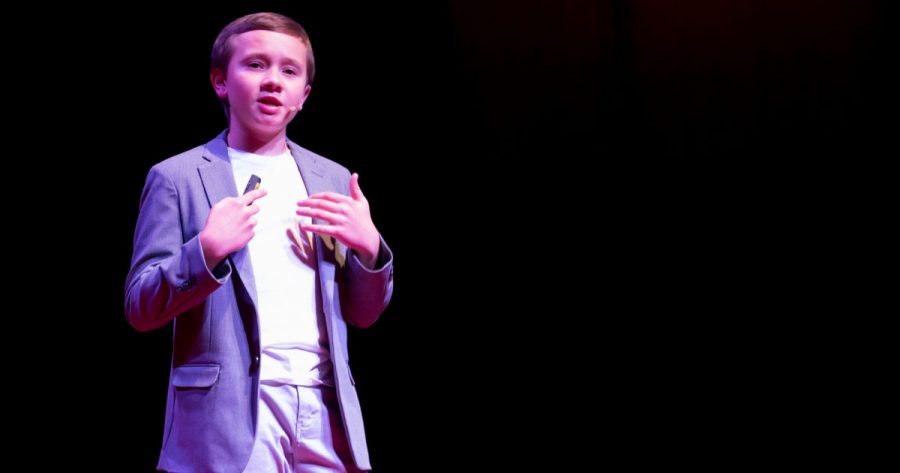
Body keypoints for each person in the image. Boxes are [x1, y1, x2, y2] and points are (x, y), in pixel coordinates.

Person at [124, 12, 393, 473]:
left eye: (289, 71)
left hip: (326, 411)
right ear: (220, 82)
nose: (273, 81)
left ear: (304, 95)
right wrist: (205, 252)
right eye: (255, 65)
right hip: (231, 415)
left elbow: (364, 314)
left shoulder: (329, 178)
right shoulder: (178, 178)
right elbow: (140, 306)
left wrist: (369, 251)